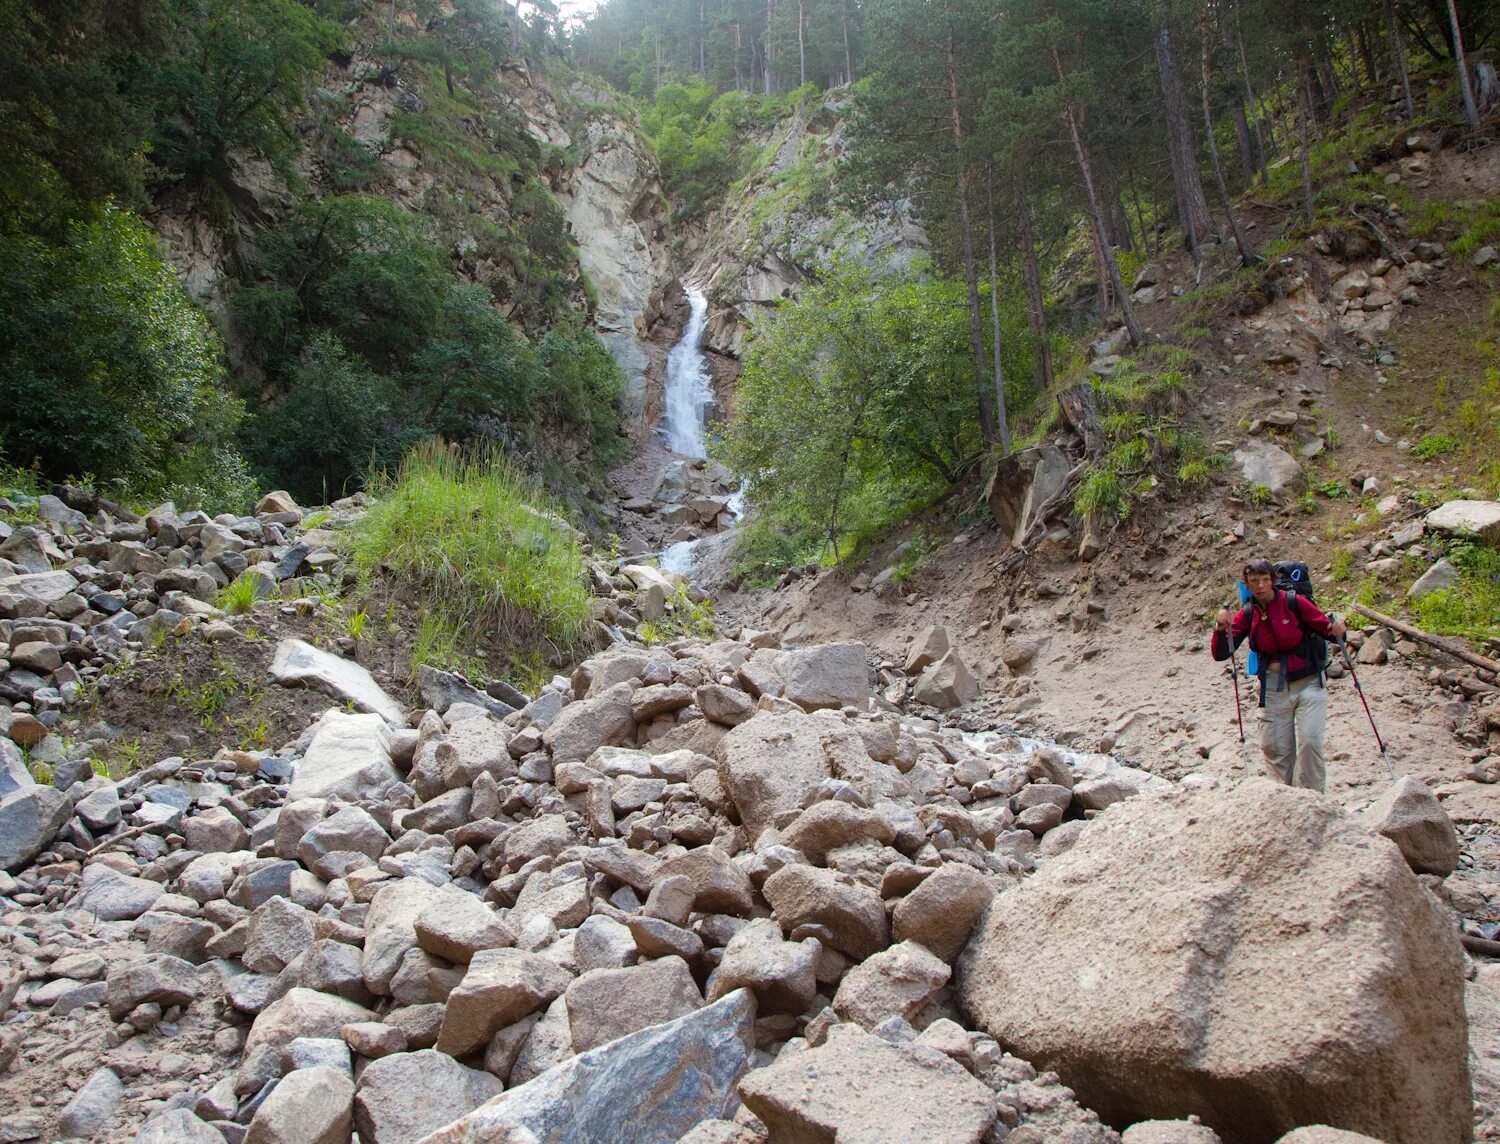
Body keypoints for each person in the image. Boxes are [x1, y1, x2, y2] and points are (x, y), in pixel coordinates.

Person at [1210, 557, 1346, 792]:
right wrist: (1221, 630)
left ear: (1272, 581)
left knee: (1310, 744)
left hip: (1309, 684)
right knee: (1275, 750)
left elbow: (1326, 631)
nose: (1260, 586)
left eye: (1264, 580)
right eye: (1254, 581)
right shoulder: (1248, 613)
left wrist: (1338, 632)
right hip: (1273, 688)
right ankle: (1284, 800)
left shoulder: (1294, 602)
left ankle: (1314, 801)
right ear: (1247, 584)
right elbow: (1222, 653)